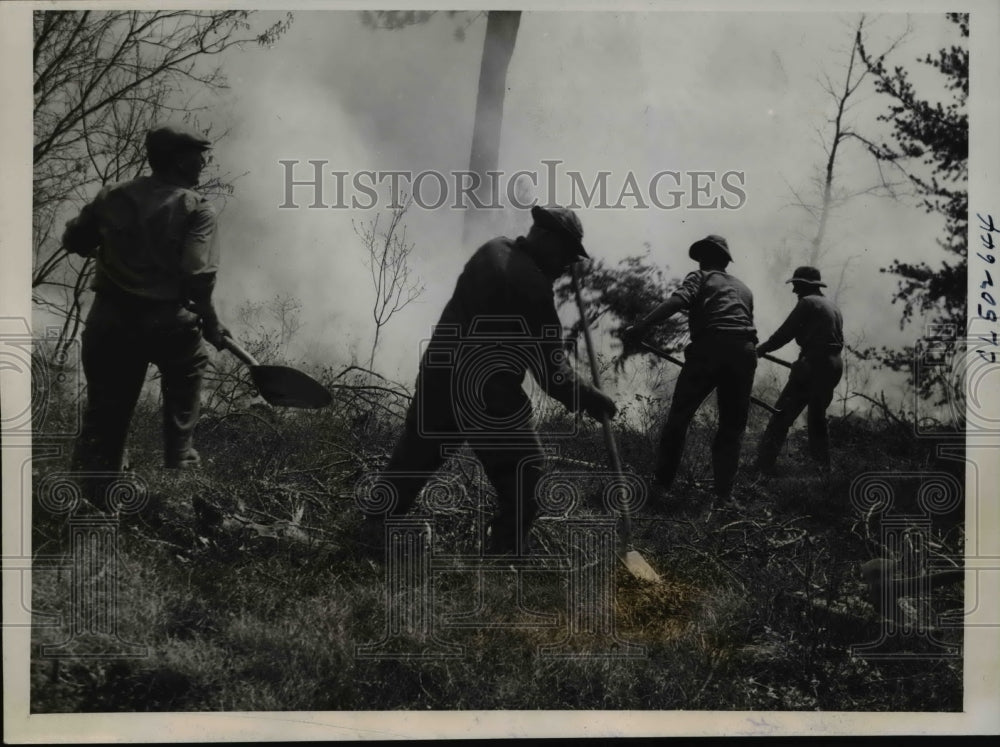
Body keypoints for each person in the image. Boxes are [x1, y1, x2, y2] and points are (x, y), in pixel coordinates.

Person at [363, 205, 618, 555]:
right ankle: (506, 559)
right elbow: (553, 375)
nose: (565, 266)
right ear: (544, 239)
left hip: (439, 376)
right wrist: (592, 398)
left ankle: (369, 532)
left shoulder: (491, 249)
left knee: (411, 463)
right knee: (526, 478)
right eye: (565, 254)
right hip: (487, 395)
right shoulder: (533, 290)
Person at [62, 123, 231, 497]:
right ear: (181, 161)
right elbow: (198, 276)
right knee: (187, 370)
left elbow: (75, 239)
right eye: (199, 156)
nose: (203, 163)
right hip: (165, 322)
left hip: (109, 320)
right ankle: (178, 468)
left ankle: (91, 499)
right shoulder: (196, 207)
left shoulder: (113, 196)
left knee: (105, 413)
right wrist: (212, 323)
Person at [623, 235, 757, 503]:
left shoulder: (701, 277)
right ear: (725, 261)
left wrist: (641, 327)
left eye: (702, 256)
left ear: (706, 258)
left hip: (710, 349)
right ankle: (723, 497)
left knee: (679, 418)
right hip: (745, 352)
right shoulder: (743, 288)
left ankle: (661, 486)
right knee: (732, 427)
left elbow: (676, 302)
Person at [753, 266, 844, 475]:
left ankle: (761, 469)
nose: (794, 291)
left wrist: (760, 350)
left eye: (797, 286)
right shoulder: (832, 305)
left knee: (781, 415)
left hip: (814, 364)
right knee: (817, 418)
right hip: (833, 365)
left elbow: (784, 334)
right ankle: (823, 469)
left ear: (806, 285)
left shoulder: (807, 303)